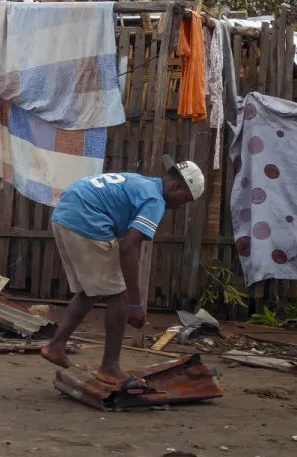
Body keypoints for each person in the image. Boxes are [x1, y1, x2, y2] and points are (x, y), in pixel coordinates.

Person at [40, 158, 204, 384]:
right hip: (86, 220)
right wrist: (135, 305)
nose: (180, 206)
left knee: (92, 290)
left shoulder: (141, 182)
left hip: (64, 215)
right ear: (176, 187)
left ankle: (56, 346)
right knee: (119, 295)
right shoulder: (154, 200)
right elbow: (129, 247)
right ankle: (109, 367)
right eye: (184, 200)